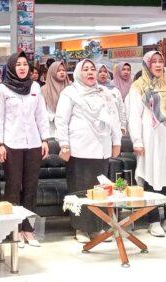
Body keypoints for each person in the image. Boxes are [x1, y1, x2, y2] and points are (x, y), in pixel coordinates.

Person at [56, 59, 122, 243]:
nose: (90, 72)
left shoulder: (104, 93)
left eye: (92, 69)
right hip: (79, 149)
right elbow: (61, 120)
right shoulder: (70, 93)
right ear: (78, 73)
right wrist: (64, 144)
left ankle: (97, 227)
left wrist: (116, 142)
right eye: (85, 69)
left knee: (100, 190)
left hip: (101, 148)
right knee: (80, 190)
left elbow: (114, 117)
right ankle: (81, 228)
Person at [126, 51, 166, 237]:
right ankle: (153, 221)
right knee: (151, 176)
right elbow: (134, 117)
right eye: (154, 62)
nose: (158, 65)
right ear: (147, 64)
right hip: (149, 139)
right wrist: (137, 141)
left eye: (161, 61)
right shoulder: (139, 86)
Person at [0, 52, 49, 247]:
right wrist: (0, 144)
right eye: (18, 64)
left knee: (31, 187)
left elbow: (41, 115)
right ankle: (14, 229)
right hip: (12, 144)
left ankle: (28, 230)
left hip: (33, 143)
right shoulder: (3, 89)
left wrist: (44, 139)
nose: (22, 67)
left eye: (25, 64)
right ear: (11, 67)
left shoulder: (35, 87)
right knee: (13, 187)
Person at [96, 59, 128, 133]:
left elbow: (121, 109)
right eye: (100, 72)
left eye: (105, 71)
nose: (103, 74)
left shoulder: (114, 90)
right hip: (97, 129)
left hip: (114, 127)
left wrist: (123, 125)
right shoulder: (92, 90)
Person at [41, 60, 70, 136]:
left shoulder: (71, 87)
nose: (62, 72)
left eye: (63, 70)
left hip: (69, 129)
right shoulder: (44, 89)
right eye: (58, 71)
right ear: (52, 72)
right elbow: (41, 110)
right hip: (51, 129)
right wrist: (53, 118)